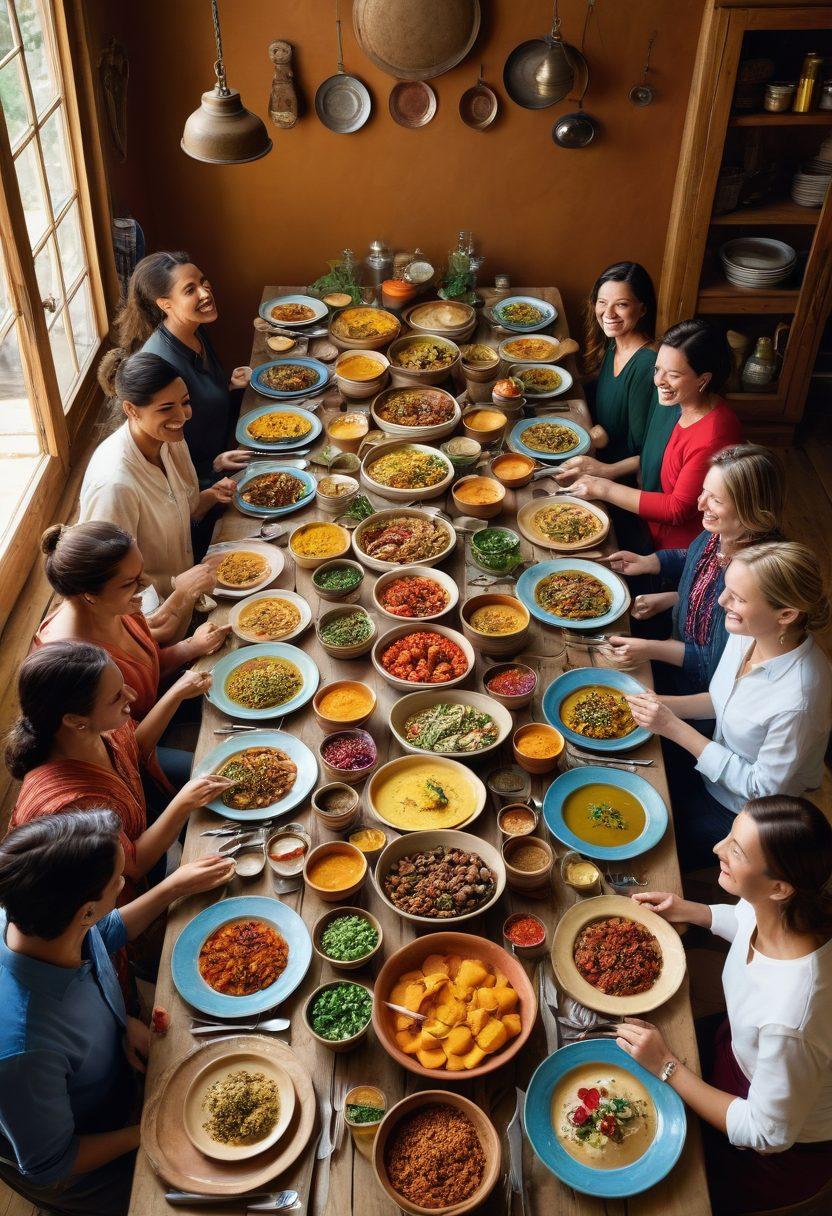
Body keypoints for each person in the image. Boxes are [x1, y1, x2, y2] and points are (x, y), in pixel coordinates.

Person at [0, 808, 234, 1215]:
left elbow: (100, 936)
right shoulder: (21, 1051)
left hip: (118, 1084)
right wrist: (153, 1127)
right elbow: (51, 1162)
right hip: (87, 1157)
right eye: (118, 881)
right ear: (84, 911)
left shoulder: (34, 919)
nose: (125, 883)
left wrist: (172, 887)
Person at [618, 796, 832, 1216]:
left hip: (770, 1158)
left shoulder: (792, 1018)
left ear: (779, 887)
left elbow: (767, 1132)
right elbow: (746, 920)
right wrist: (689, 910)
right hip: (736, 1056)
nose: (718, 848)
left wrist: (667, 1066)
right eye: (730, 836)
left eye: (736, 849)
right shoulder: (785, 911)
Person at [625, 542, 832, 869]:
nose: (722, 602)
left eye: (738, 598)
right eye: (727, 589)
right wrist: (660, 706)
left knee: (635, 849)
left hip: (735, 811)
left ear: (787, 614)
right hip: (705, 765)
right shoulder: (750, 630)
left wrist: (672, 727)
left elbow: (760, 791)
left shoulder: (799, 699)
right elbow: (722, 701)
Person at [8, 641, 233, 898]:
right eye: (117, 696)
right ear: (74, 720)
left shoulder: (89, 731)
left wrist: (177, 693)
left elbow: (134, 750)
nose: (131, 696)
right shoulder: (71, 808)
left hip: (142, 824)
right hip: (119, 893)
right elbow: (134, 866)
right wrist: (183, 803)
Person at [601, 444, 784, 694]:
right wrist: (651, 563)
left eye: (716, 500)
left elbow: (712, 661)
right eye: (703, 492)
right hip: (674, 639)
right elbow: (696, 560)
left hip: (697, 687)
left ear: (750, 509)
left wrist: (648, 648)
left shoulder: (752, 578)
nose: (700, 505)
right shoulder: (725, 532)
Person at [566, 320, 743, 549]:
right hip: (646, 519)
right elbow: (655, 456)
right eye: (657, 369)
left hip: (673, 550)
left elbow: (676, 509)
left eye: (673, 375)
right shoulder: (679, 402)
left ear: (703, 379)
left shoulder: (714, 436)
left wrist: (601, 487)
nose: (658, 381)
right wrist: (607, 471)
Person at [80, 352, 235, 609]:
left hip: (190, 589)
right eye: (166, 408)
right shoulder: (114, 486)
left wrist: (208, 496)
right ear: (131, 409)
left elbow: (180, 510)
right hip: (152, 615)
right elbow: (105, 585)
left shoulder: (169, 438)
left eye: (185, 402)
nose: (183, 415)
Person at [35, 522, 231, 722]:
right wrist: (176, 694)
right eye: (130, 583)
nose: (145, 583)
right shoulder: (73, 664)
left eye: (141, 573)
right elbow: (124, 746)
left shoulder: (109, 607)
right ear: (89, 595)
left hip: (164, 704)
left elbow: (148, 666)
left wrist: (191, 646)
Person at [99, 250, 251, 485]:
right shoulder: (163, 362)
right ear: (164, 304)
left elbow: (203, 405)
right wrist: (213, 468)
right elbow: (163, 453)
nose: (205, 292)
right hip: (203, 482)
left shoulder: (194, 329)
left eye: (203, 281)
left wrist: (228, 387)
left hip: (228, 451)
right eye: (190, 290)